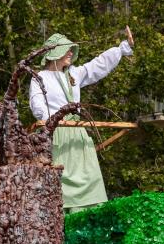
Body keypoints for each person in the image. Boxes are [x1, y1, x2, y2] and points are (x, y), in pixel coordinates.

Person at [28, 28, 134, 211]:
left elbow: (98, 65)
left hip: (78, 136)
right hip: (55, 135)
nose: (71, 53)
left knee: (89, 181)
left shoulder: (73, 74)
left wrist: (123, 48)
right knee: (59, 187)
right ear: (55, 53)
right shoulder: (40, 77)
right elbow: (36, 104)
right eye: (67, 49)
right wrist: (50, 122)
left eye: (71, 49)